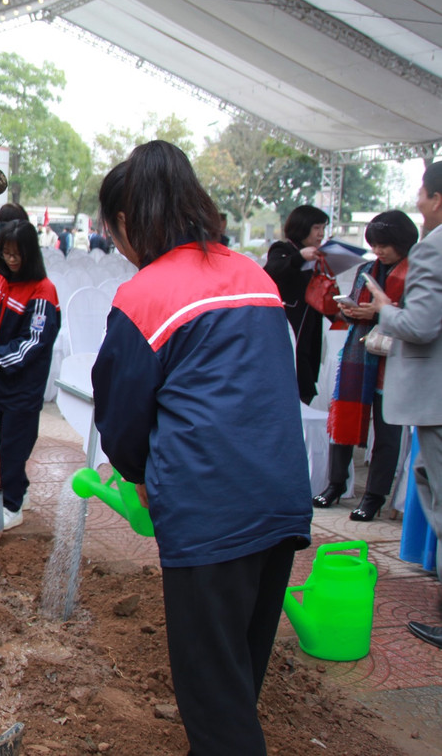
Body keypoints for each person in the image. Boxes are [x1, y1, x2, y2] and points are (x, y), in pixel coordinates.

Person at [92, 141, 311, 756]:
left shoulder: (147, 293)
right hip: (280, 500)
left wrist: (136, 474)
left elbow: (122, 417)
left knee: (213, 701)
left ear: (129, 221)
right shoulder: (253, 276)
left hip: (211, 512)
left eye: (115, 230)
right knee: (237, 673)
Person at [342, 163, 442, 650]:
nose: (418, 201)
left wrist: (383, 306)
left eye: (422, 193)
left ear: (437, 198)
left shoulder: (433, 250)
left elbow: (421, 327)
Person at [314, 210, 418, 520]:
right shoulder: (366, 270)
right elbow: (352, 310)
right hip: (358, 356)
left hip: (394, 359)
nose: (378, 251)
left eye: (385, 244)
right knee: (344, 419)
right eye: (374, 244)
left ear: (403, 242)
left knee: (387, 433)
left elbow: (415, 317)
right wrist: (349, 311)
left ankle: (374, 495)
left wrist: (376, 313)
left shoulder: (417, 272)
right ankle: (335, 484)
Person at [0, 220, 61, 528]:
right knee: (9, 444)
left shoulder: (43, 292)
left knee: (14, 445)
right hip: (5, 383)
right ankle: (19, 491)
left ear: (30, 253)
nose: (11, 260)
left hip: (24, 386)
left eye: (17, 254)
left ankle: (12, 506)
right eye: (7, 253)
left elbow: (32, 344)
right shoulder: (5, 280)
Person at [264, 204, 331, 404]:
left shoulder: (318, 257)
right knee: (293, 385)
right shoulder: (283, 249)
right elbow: (272, 271)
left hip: (309, 330)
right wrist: (300, 257)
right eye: (316, 228)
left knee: (306, 385)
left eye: (323, 228)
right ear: (302, 227)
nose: (321, 234)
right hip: (289, 328)